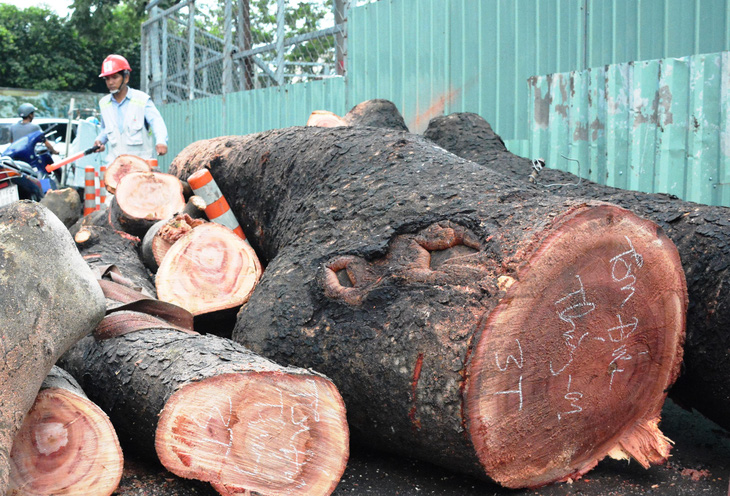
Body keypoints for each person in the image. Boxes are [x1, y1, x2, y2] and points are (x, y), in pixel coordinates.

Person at [93, 54, 168, 163]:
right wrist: (100, 141)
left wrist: (161, 141)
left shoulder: (142, 100)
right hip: (116, 165)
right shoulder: (104, 104)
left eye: (115, 77)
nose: (110, 82)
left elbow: (157, 121)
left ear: (126, 77)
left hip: (141, 165)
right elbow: (106, 129)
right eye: (107, 78)